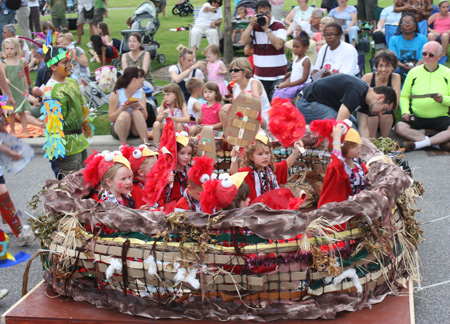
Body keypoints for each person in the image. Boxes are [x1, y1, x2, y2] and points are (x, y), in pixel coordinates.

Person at [295, 74, 397, 137]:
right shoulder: (357, 90)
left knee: (355, 129)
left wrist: (370, 149)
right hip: (307, 102)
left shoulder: (367, 100)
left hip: (321, 103)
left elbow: (363, 128)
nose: (380, 113)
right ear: (380, 97)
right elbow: (340, 122)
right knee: (349, 132)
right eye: (383, 109)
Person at [43, 46, 91, 178]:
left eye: (69, 61)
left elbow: (82, 105)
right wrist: (57, 152)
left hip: (80, 140)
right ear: (53, 66)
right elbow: (52, 124)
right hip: (66, 147)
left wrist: (86, 125)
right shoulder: (51, 90)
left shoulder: (72, 82)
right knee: (71, 185)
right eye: (65, 63)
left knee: (85, 181)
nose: (69, 65)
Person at [395, 41, 450, 152]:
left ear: (439, 57)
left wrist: (443, 99)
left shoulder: (447, 73)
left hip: (441, 116)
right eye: (424, 54)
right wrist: (405, 112)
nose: (427, 57)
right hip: (417, 116)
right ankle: (436, 144)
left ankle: (420, 144)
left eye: (431, 55)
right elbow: (404, 96)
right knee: (399, 127)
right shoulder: (413, 72)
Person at [230, 132, 303, 203]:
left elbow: (286, 164)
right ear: (251, 157)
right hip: (256, 210)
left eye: (267, 153)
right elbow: (234, 175)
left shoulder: (271, 168)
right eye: (260, 154)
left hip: (272, 207)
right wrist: (234, 160)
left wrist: (296, 151)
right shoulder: (248, 171)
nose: (265, 157)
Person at [240, 0, 287, 100]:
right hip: (260, 75)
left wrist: (266, 29)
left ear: (271, 12)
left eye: (267, 13)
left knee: (276, 106)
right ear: (256, 14)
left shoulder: (279, 26)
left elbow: (278, 45)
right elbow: (243, 42)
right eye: (262, 13)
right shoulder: (255, 27)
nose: (266, 16)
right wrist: (251, 25)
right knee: (262, 105)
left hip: (278, 75)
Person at [315, 123, 367, 207]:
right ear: (343, 149)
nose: (359, 146)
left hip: (357, 206)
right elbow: (337, 161)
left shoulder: (356, 162)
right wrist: (336, 140)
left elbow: (362, 173)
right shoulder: (339, 168)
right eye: (354, 145)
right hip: (339, 210)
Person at [219, 57, 270, 128]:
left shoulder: (254, 82)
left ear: (245, 71)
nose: (232, 73)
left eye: (236, 70)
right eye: (231, 70)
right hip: (244, 115)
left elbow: (256, 104)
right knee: (224, 109)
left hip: (259, 116)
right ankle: (229, 134)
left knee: (250, 114)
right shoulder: (235, 87)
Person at [361, 50, 401, 138]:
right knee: (373, 114)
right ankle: (373, 142)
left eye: (387, 66)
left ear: (393, 67)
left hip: (386, 114)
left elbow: (396, 103)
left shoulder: (395, 77)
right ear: (376, 67)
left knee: (386, 113)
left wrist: (381, 107)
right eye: (381, 66)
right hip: (369, 114)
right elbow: (362, 101)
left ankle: (384, 142)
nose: (383, 69)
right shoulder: (368, 78)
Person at [109, 67, 149, 145]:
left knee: (136, 112)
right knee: (125, 114)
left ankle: (146, 144)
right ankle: (123, 146)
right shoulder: (117, 93)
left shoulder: (141, 92)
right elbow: (111, 118)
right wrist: (122, 108)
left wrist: (141, 107)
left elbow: (145, 117)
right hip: (119, 128)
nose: (143, 80)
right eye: (141, 77)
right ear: (134, 79)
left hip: (135, 128)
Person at [0, 38, 31, 136]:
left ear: (16, 49)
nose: (9, 51)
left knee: (22, 112)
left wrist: (26, 89)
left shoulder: (21, 62)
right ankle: (12, 131)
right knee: (11, 113)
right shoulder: (3, 63)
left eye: (11, 48)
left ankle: (25, 130)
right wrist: (6, 79)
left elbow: (24, 76)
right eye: (7, 49)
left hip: (19, 90)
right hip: (9, 91)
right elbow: (2, 76)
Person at [389, 12, 428, 79]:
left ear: (415, 26)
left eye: (410, 22)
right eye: (404, 23)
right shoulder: (394, 39)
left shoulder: (422, 39)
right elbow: (393, 59)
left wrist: (415, 66)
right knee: (393, 68)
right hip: (400, 66)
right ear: (400, 26)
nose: (407, 25)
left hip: (418, 65)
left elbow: (423, 58)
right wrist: (403, 66)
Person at [273, 33, 311, 100]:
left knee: (283, 95)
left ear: (306, 48)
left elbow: (304, 78)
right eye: (293, 46)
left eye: (297, 47)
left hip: (301, 86)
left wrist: (287, 85)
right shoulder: (296, 59)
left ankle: (286, 109)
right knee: (277, 91)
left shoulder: (306, 61)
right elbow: (298, 70)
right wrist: (290, 73)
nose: (295, 49)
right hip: (293, 84)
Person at [120, 144, 158, 208]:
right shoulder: (135, 188)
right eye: (153, 168)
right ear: (141, 172)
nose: (157, 170)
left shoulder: (150, 181)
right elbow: (142, 210)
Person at [163, 133, 194, 204]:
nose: (186, 157)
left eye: (189, 153)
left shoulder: (189, 170)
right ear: (175, 153)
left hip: (187, 203)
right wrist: (165, 182)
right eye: (182, 153)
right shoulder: (167, 171)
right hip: (170, 205)